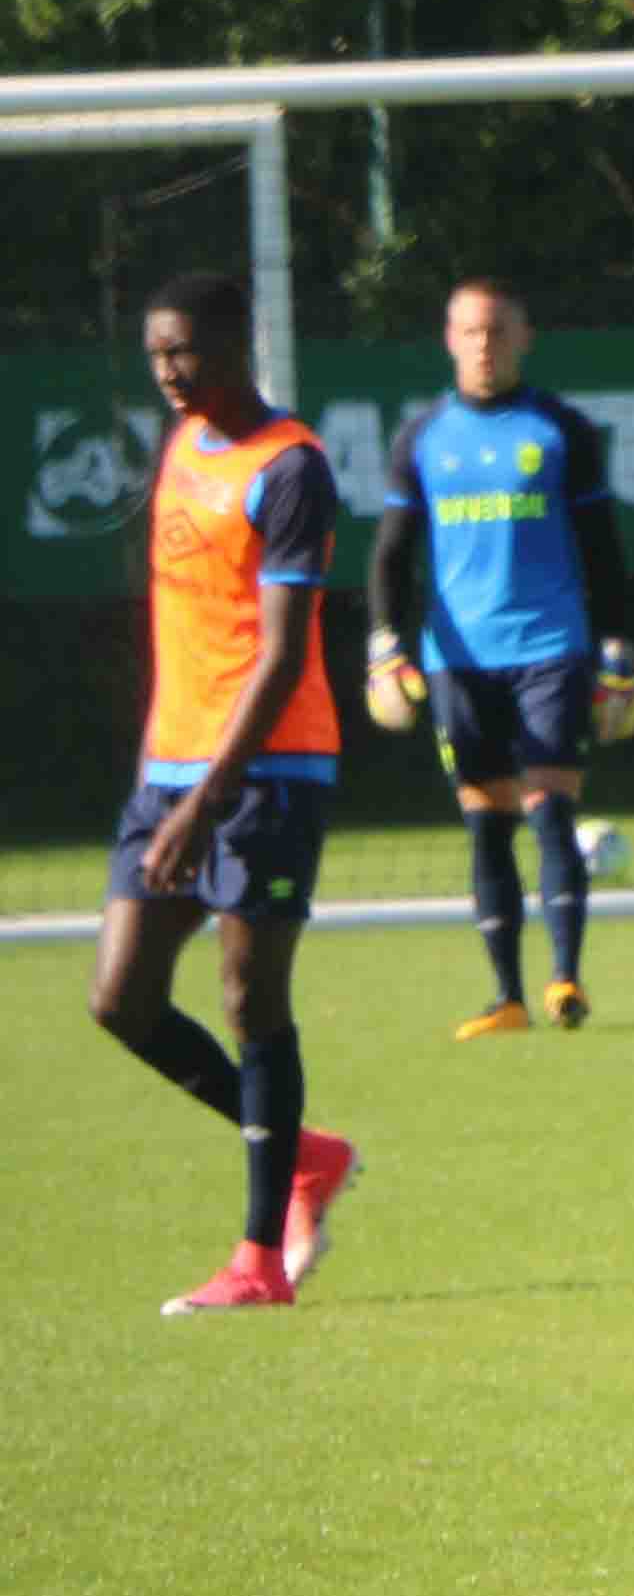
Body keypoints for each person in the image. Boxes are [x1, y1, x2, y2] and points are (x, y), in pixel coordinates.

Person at [85, 272, 360, 1314]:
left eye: (185, 351)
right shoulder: (181, 442)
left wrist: (208, 800)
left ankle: (258, 1259)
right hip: (169, 768)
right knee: (121, 998)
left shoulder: (291, 471)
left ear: (239, 345)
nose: (167, 370)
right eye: (157, 352)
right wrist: (176, 782)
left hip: (268, 773)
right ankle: (308, 1154)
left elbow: (284, 657)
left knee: (251, 998)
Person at [366, 278, 634, 1035]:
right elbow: (391, 553)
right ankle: (506, 998)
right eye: (470, 332)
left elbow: (602, 547)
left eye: (497, 331)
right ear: (449, 339)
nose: (483, 345)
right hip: (458, 659)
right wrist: (385, 646)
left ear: (523, 338)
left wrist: (615, 647)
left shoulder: (561, 431)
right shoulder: (422, 437)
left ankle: (564, 982)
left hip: (550, 648)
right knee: (486, 823)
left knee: (551, 809)